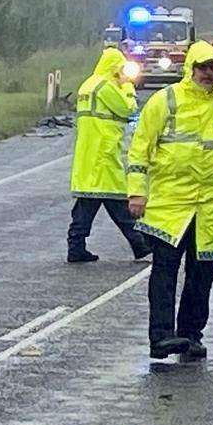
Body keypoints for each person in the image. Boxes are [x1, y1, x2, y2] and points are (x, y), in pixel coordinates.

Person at [127, 41, 213, 359]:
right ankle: (160, 338)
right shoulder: (166, 100)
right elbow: (140, 148)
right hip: (171, 205)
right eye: (202, 68)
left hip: (211, 208)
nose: (208, 74)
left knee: (202, 275)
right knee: (164, 272)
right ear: (191, 68)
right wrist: (136, 191)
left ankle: (190, 335)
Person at [67, 47, 152, 263]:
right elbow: (128, 109)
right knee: (117, 201)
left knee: (88, 203)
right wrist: (128, 86)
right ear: (115, 67)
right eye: (121, 69)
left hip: (89, 154)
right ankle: (139, 244)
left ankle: (77, 246)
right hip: (104, 153)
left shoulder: (88, 84)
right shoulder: (105, 85)